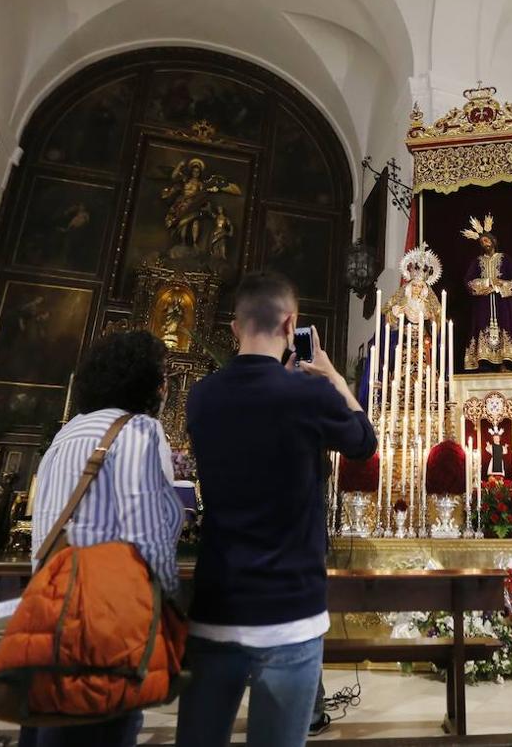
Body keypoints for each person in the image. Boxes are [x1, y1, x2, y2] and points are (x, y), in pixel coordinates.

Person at [177, 271, 377, 747]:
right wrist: (327, 373)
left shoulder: (202, 396)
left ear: (233, 328)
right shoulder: (307, 394)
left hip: (217, 605)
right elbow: (363, 443)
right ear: (292, 324)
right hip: (291, 607)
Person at [21, 330, 184, 747]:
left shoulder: (69, 431)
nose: (165, 388)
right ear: (147, 384)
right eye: (162, 378)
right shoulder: (140, 433)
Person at [461, 214, 512, 369]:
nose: (485, 243)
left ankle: (505, 362)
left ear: (493, 241)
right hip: (483, 302)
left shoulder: (505, 259)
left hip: (502, 301)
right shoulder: (477, 261)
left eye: (487, 240)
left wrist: (500, 286)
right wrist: (487, 282)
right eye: (482, 241)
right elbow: (468, 281)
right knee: (482, 327)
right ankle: (485, 364)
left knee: (506, 326)